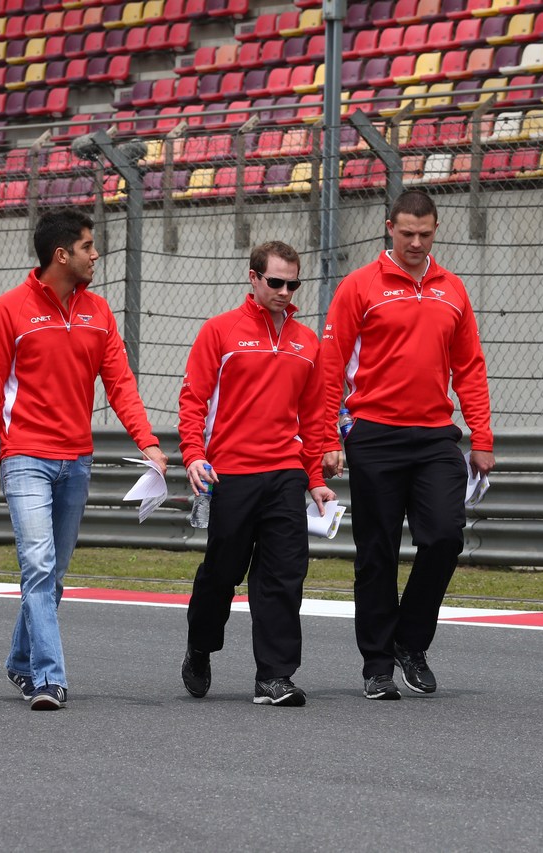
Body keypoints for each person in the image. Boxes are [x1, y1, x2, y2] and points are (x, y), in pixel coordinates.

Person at [0, 210, 168, 711]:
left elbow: (120, 383)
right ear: (62, 255)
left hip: (76, 462)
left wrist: (147, 442)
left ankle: (20, 660)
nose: (96, 254)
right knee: (37, 565)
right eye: (87, 246)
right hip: (25, 460)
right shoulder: (8, 311)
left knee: (51, 575)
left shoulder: (99, 312)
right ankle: (49, 678)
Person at [319, 188, 495, 700]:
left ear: (435, 230)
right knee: (376, 552)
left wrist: (481, 436)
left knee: (443, 536)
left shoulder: (452, 289)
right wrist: (328, 434)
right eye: (407, 233)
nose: (416, 242)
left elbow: (471, 368)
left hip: (436, 435)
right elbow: (331, 367)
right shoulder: (359, 286)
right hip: (373, 434)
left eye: (426, 233)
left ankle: (410, 643)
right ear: (388, 227)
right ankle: (377, 664)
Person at [178, 241, 335, 707]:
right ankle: (200, 646)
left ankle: (274, 676)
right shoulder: (220, 332)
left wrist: (316, 478)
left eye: (293, 284)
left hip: (285, 473)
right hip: (230, 474)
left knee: (285, 575)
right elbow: (193, 400)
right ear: (253, 278)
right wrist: (192, 454)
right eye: (276, 282)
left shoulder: (309, 343)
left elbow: (314, 418)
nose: (285, 291)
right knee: (222, 574)